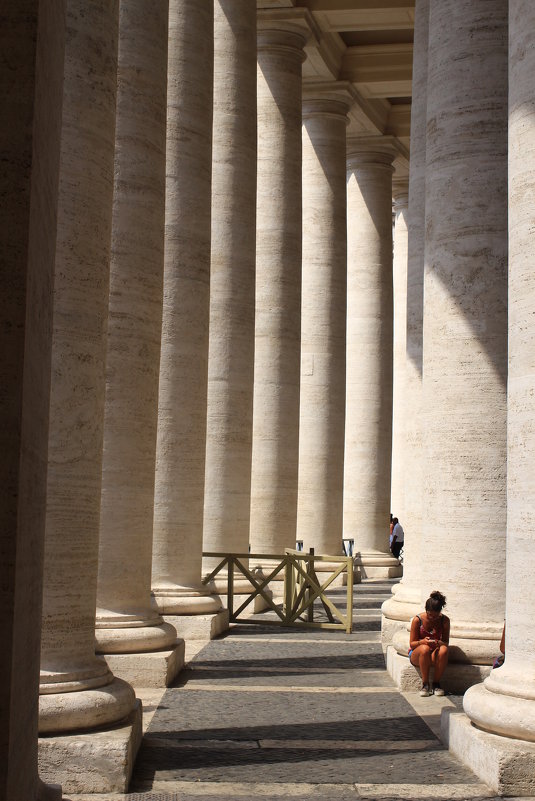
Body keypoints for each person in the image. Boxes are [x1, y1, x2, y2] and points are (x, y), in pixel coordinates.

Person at [409, 590, 450, 696]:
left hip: (434, 653)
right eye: (430, 615)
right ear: (426, 610)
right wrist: (422, 642)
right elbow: (412, 644)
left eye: (435, 616)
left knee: (444, 650)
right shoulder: (417, 620)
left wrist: (438, 642)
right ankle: (425, 684)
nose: (432, 618)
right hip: (418, 654)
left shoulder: (445, 621)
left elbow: (445, 643)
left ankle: (436, 683)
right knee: (424, 649)